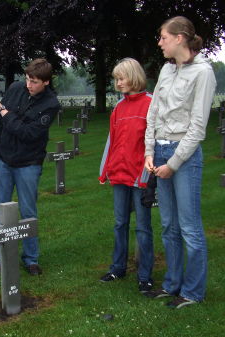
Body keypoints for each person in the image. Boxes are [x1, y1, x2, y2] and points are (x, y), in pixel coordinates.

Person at [143, 16, 216, 309]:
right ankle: (172, 285)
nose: (159, 43)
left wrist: (173, 162)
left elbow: (198, 127)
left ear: (180, 38)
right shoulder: (165, 69)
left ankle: (193, 292)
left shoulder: (203, 73)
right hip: (159, 152)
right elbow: (153, 112)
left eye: (163, 37)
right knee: (168, 225)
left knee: (189, 227)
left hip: (184, 158)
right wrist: (149, 151)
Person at [0, 58, 60, 276]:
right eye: (28, 79)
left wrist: (2, 110)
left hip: (29, 163)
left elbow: (28, 134)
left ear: (46, 82)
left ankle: (31, 259)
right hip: (4, 161)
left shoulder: (50, 104)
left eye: (34, 81)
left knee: (28, 212)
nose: (29, 85)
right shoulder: (15, 88)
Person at [98, 58, 154, 293]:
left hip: (139, 177)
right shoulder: (119, 108)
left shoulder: (151, 104)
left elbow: (152, 145)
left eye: (121, 78)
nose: (117, 83)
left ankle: (145, 276)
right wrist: (105, 171)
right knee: (120, 224)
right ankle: (117, 267)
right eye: (115, 79)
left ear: (134, 76)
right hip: (119, 176)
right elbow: (112, 142)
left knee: (143, 228)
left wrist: (147, 176)